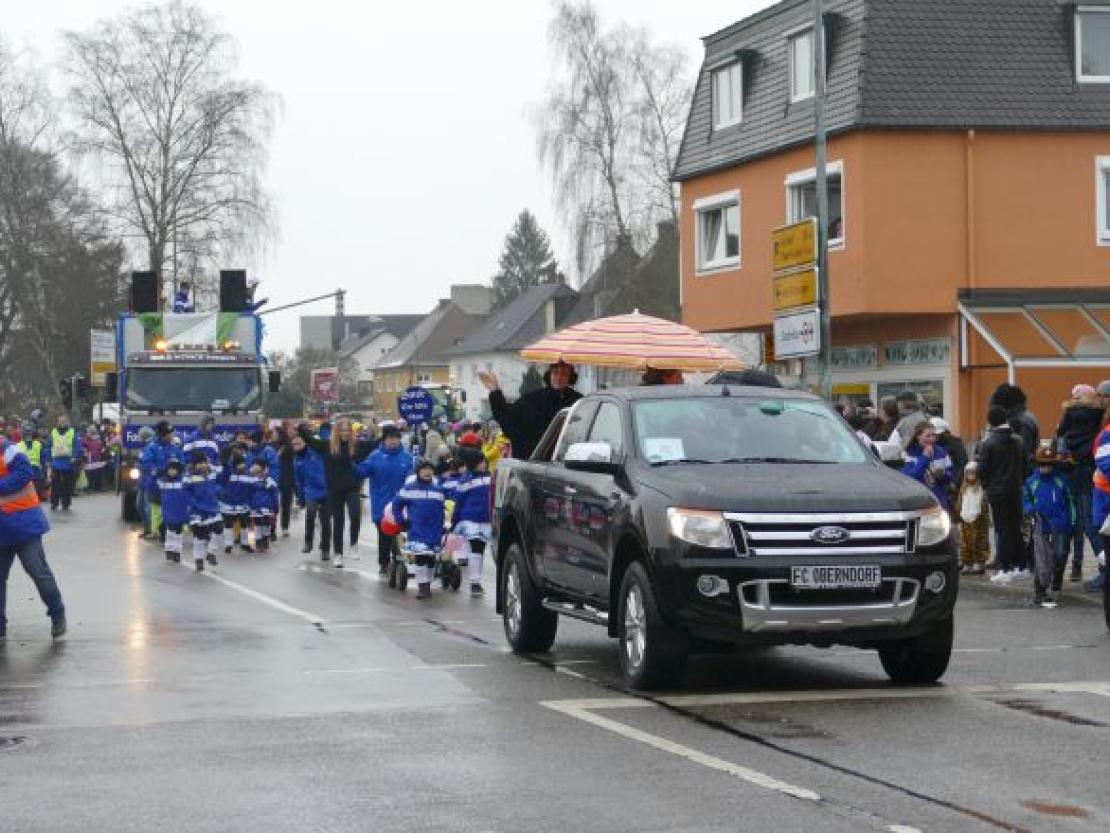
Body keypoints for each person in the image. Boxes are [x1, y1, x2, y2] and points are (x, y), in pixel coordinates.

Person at [0, 437, 66, 640]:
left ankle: (57, 614)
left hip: (24, 526)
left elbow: (26, 472)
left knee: (38, 572)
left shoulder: (5, 447)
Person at [299, 418, 376, 565]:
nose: (345, 433)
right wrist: (302, 429)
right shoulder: (327, 446)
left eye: (347, 430)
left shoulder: (357, 446)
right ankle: (338, 554)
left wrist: (383, 433)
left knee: (355, 514)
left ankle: (353, 544)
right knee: (338, 521)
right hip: (334, 489)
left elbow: (374, 444)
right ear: (337, 431)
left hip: (352, 488)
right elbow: (309, 441)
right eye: (342, 430)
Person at [480, 361, 582, 460]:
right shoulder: (534, 398)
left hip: (569, 460)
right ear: (549, 374)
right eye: (555, 373)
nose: (559, 377)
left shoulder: (580, 402)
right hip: (537, 461)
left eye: (564, 374)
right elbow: (508, 415)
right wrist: (495, 392)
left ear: (570, 377)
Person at [1055, 383, 1105, 581]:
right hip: (1093, 475)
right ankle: (1100, 566)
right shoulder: (1099, 418)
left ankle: (1077, 566)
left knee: (1077, 522)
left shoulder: (1069, 417)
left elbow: (1059, 434)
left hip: (1073, 475)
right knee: (1091, 522)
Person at [978, 405, 1029, 584]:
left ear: (990, 421)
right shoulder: (1018, 440)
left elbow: (982, 470)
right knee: (1015, 528)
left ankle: (1005, 567)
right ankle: (1021, 566)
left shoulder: (989, 442)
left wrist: (987, 485)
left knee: (1002, 529)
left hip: (997, 491)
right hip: (1016, 489)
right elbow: (1026, 465)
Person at [354, 424, 413, 574]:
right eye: (390, 439)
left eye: (396, 438)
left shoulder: (407, 458)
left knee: (400, 535)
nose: (393, 441)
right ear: (384, 440)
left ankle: (399, 564)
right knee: (385, 535)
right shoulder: (375, 456)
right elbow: (361, 471)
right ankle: (384, 564)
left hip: (402, 505)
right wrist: (353, 461)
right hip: (381, 504)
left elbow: (414, 479)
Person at [1022, 444, 1075, 606]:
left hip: (1060, 525)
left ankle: (1056, 584)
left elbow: (1070, 501)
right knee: (1042, 559)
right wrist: (1030, 509)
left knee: (1059, 555)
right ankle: (1040, 591)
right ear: (1037, 464)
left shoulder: (1061, 480)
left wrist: (1071, 521)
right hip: (1041, 525)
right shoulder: (1031, 481)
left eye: (1049, 464)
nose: (1046, 468)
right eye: (1043, 464)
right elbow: (1025, 500)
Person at [393, 459, 447, 600]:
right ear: (418, 472)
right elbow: (396, 505)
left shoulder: (439, 490)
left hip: (434, 531)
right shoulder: (409, 488)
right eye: (424, 469)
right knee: (421, 558)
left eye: (430, 469)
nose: (427, 472)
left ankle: (427, 584)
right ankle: (422, 587)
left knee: (430, 559)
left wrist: (443, 526)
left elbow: (442, 510)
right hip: (417, 529)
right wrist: (401, 521)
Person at [451, 442, 493, 596]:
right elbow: (459, 502)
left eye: (484, 461)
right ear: (473, 464)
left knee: (480, 549)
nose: (484, 464)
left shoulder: (491, 477)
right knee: (476, 547)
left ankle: (476, 582)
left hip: (487, 519)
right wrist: (455, 521)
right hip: (470, 519)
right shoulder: (465, 480)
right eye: (481, 462)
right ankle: (475, 583)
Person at [901, 421, 954, 510]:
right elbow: (909, 477)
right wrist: (925, 458)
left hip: (939, 499)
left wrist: (943, 475)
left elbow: (951, 474)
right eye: (928, 436)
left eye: (934, 435)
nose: (932, 439)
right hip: (918, 499)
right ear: (918, 436)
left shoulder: (941, 452)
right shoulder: (908, 453)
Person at [292, 434, 330, 560]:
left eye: (298, 443)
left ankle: (325, 548)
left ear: (305, 443)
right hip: (311, 490)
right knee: (310, 515)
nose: (296, 446)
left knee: (325, 521)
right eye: (294, 444)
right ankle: (308, 542)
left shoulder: (315, 452)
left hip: (326, 490)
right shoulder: (297, 460)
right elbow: (299, 481)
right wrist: (300, 497)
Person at [184, 451, 223, 571]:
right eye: (199, 463)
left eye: (204, 462)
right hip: (197, 511)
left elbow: (222, 479)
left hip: (212, 508)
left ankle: (211, 552)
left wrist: (217, 492)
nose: (202, 465)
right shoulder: (190, 477)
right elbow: (186, 493)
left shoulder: (212, 474)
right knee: (199, 536)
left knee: (218, 529)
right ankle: (198, 559)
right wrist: (194, 503)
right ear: (194, 465)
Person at [1088, 402, 1110, 592]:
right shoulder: (1107, 435)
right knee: (1100, 531)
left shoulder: (1105, 434)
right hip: (1104, 493)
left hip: (1104, 493)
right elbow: (1104, 461)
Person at [957, 463, 991, 575]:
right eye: (968, 473)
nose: (970, 476)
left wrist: (984, 517)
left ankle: (979, 562)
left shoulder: (981, 488)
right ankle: (967, 562)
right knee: (965, 541)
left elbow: (985, 505)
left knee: (979, 541)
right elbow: (959, 503)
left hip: (979, 519)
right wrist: (958, 514)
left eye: (973, 473)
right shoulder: (963, 488)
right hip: (965, 518)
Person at [219, 451, 254, 553]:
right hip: (229, 504)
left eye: (242, 463)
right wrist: (225, 463)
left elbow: (251, 489)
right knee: (228, 525)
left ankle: (245, 543)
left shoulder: (248, 475)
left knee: (245, 525)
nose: (242, 465)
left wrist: (250, 502)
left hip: (243, 505)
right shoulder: (228, 474)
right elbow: (224, 475)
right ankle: (228, 544)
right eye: (239, 463)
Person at [45, 415, 82, 511]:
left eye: (63, 421)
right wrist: (48, 459)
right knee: (55, 485)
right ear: (57, 422)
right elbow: (48, 446)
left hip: (68, 462)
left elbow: (76, 446)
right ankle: (54, 503)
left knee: (67, 485)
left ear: (67, 422)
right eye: (60, 421)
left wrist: (75, 456)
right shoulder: (53, 433)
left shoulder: (72, 433)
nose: (61, 423)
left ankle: (66, 503)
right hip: (56, 462)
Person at [157, 459, 188, 564]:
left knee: (179, 531)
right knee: (170, 530)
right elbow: (152, 486)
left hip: (180, 510)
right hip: (169, 510)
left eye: (174, 470)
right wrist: (156, 474)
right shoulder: (163, 481)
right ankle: (169, 549)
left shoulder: (183, 481)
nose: (172, 472)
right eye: (170, 469)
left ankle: (177, 552)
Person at [931, 417, 968, 497]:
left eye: (937, 434)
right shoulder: (930, 444)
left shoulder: (955, 443)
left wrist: (955, 482)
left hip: (952, 481)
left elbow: (962, 464)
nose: (935, 437)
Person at [248, 459, 279, 554]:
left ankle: (265, 540)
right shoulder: (250, 480)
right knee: (257, 524)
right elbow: (248, 494)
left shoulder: (269, 481)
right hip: (255, 507)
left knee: (266, 523)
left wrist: (275, 508)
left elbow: (274, 495)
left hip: (267, 507)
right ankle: (258, 541)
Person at [273, 428, 296, 539]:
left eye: (275, 433)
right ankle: (271, 528)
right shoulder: (271, 446)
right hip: (274, 479)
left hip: (287, 478)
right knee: (272, 504)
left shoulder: (288, 447)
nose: (273, 435)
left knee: (286, 504)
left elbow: (293, 462)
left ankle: (285, 527)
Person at [16, 424, 46, 501]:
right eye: (26, 434)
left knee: (37, 490)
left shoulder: (38, 445)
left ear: (32, 435)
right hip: (24, 470)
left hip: (36, 470)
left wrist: (44, 471)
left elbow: (43, 460)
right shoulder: (18, 445)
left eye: (29, 434)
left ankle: (38, 496)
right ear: (23, 435)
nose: (28, 436)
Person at [82, 425, 106, 493]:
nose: (93, 431)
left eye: (93, 430)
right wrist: (84, 456)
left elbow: (102, 447)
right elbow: (84, 447)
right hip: (90, 457)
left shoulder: (98, 438)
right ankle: (88, 487)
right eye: (91, 430)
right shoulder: (86, 438)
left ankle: (97, 487)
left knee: (98, 472)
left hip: (98, 456)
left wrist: (102, 452)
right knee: (90, 473)